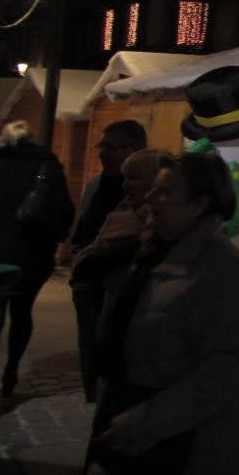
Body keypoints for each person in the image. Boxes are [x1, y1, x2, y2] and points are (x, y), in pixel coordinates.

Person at [86, 149, 239, 474]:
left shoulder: (224, 272)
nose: (150, 197)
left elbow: (223, 370)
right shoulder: (156, 253)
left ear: (199, 204)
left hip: (195, 443)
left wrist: (144, 419)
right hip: (142, 426)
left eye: (164, 192)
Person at [0, 122, 73, 402]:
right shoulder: (47, 165)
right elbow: (64, 211)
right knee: (22, 313)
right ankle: (11, 371)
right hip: (31, 254)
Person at [72, 119, 147, 402]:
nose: (103, 153)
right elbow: (82, 231)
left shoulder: (148, 192)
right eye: (102, 146)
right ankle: (94, 398)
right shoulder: (95, 186)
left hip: (124, 290)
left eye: (111, 147)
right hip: (90, 287)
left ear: (135, 149)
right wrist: (79, 275)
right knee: (92, 353)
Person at [70, 150, 166, 313]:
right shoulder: (124, 212)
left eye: (133, 178)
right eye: (125, 177)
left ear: (154, 182)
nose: (125, 184)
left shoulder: (159, 225)